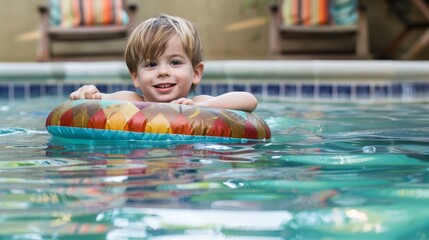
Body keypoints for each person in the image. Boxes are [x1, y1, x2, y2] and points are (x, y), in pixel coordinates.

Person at [70, 14, 257, 112]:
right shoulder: (133, 101)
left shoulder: (198, 103)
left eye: (175, 62)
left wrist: (203, 108)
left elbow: (249, 100)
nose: (163, 72)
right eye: (151, 65)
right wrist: (87, 92)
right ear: (135, 76)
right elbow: (96, 99)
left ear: (197, 72)